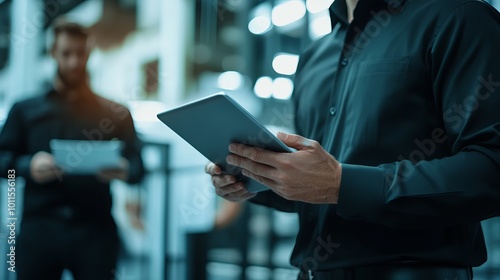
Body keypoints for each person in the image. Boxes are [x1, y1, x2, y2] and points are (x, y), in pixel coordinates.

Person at [207, 0, 500, 279]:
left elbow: (491, 167)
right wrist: (254, 177)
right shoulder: (314, 56)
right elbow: (316, 183)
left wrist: (341, 184)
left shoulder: (457, 16)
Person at [0, 21, 144, 280]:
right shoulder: (24, 110)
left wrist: (123, 170)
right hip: (39, 229)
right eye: (66, 53)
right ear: (54, 53)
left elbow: (138, 169)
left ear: (89, 54)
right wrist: (26, 167)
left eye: (81, 53)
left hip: (95, 231)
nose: (74, 62)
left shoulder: (116, 114)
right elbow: (2, 163)